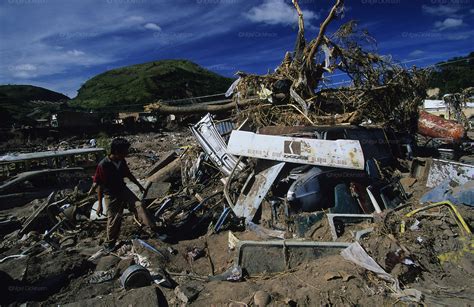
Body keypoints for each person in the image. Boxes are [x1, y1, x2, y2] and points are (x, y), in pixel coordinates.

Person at [93, 137, 155, 252]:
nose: (126, 154)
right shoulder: (103, 165)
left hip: (122, 189)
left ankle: (151, 228)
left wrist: (139, 186)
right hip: (111, 194)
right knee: (114, 220)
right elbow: (99, 185)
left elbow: (128, 174)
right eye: (124, 152)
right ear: (116, 152)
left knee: (139, 205)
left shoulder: (121, 161)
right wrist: (100, 205)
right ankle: (110, 243)